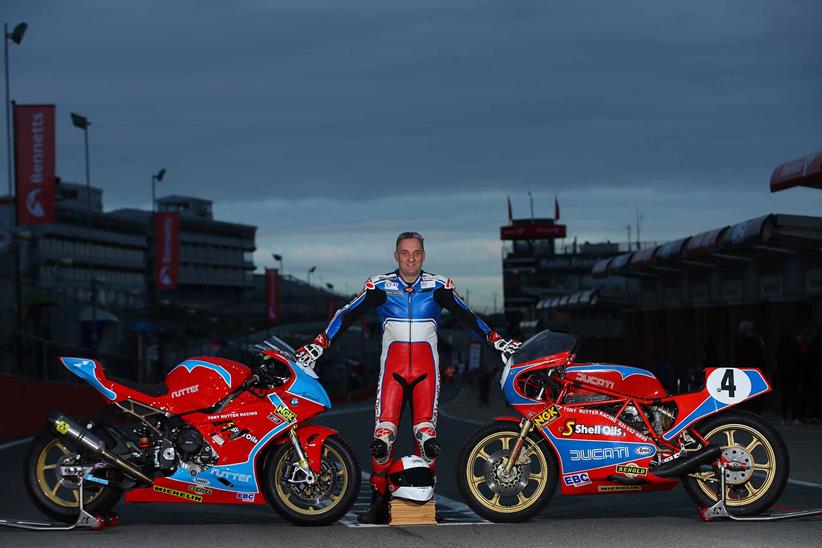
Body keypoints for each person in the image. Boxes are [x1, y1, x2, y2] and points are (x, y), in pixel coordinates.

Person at [294, 232, 520, 524]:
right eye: (405, 253)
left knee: (427, 439)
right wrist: (319, 343)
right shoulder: (379, 285)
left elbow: (467, 316)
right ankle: (378, 502)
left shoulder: (438, 285)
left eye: (416, 253)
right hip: (393, 372)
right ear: (396, 255)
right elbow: (346, 314)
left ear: (423, 256)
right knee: (382, 440)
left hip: (427, 372)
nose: (410, 258)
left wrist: (496, 340)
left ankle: (425, 502)